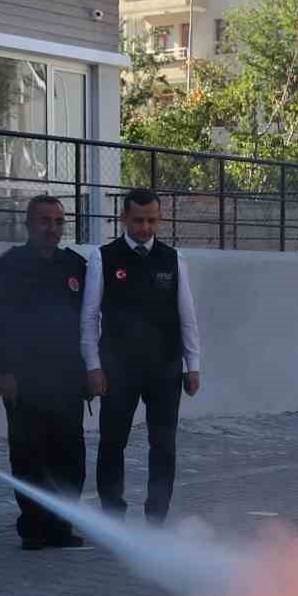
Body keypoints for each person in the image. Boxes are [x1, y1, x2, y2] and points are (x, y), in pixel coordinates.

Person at [83, 189, 203, 525]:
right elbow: (89, 316)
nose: (145, 227)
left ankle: (156, 517)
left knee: (163, 445)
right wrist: (93, 365)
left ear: (159, 219)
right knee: (112, 442)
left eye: (152, 220)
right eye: (138, 220)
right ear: (124, 219)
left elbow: (187, 316)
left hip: (165, 368)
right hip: (118, 368)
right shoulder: (102, 258)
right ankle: (113, 514)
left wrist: (193, 365)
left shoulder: (173, 259)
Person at [0, 196, 88, 550]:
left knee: (69, 454)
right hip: (25, 378)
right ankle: (33, 526)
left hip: (66, 379)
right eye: (44, 221)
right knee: (30, 453)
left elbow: (90, 322)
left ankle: (61, 525)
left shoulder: (75, 266)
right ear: (29, 225)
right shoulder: (9, 266)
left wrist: (92, 369)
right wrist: (4, 371)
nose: (52, 228)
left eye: (59, 221)